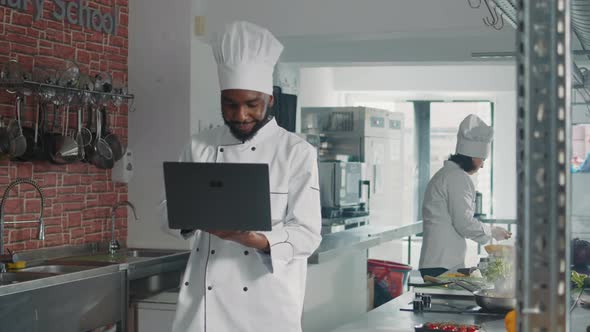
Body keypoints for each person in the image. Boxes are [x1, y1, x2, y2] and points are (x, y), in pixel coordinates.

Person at [163, 21, 322, 332]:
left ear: (270, 100)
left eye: (252, 105)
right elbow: (167, 208)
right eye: (230, 104)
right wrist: (191, 216)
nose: (240, 115)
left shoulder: (295, 152)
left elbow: (307, 234)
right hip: (204, 309)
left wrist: (255, 239)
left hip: (267, 305)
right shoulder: (199, 146)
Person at [418, 114, 511, 278]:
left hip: (439, 262)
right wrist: (492, 231)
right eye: (482, 160)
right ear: (472, 157)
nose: (482, 165)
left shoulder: (446, 174)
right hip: (441, 264)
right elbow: (464, 222)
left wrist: (489, 233)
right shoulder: (457, 178)